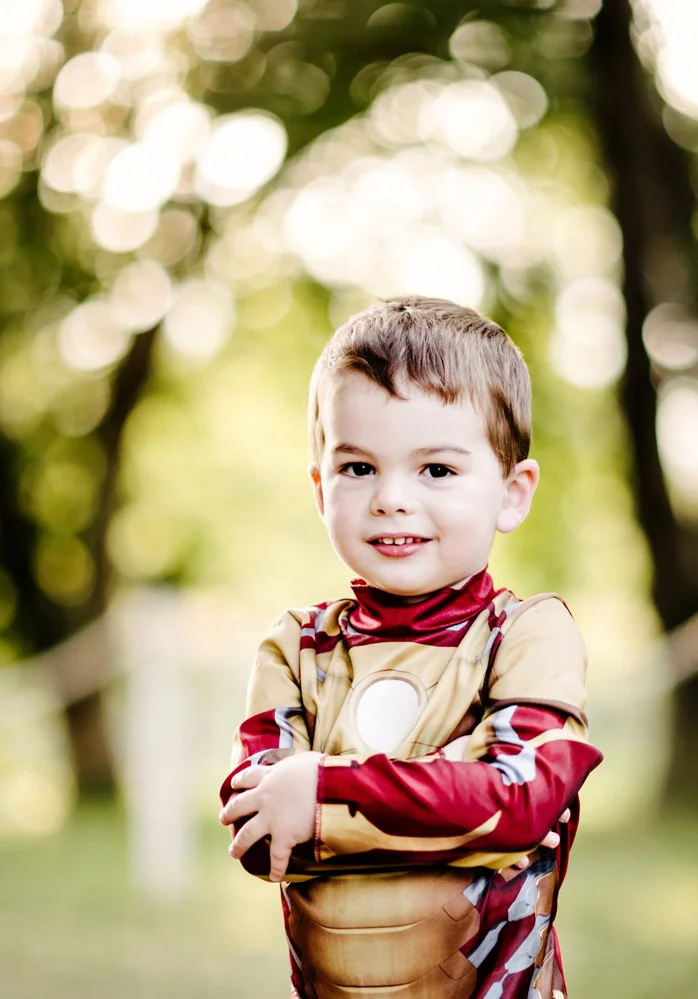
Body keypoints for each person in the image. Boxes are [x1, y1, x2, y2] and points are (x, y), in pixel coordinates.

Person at [217, 296, 604, 999]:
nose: (392, 498)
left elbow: (521, 801)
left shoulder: (526, 635)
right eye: (358, 467)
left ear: (512, 493)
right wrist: (454, 783)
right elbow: (258, 828)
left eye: (436, 470)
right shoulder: (296, 650)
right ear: (320, 486)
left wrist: (324, 789)